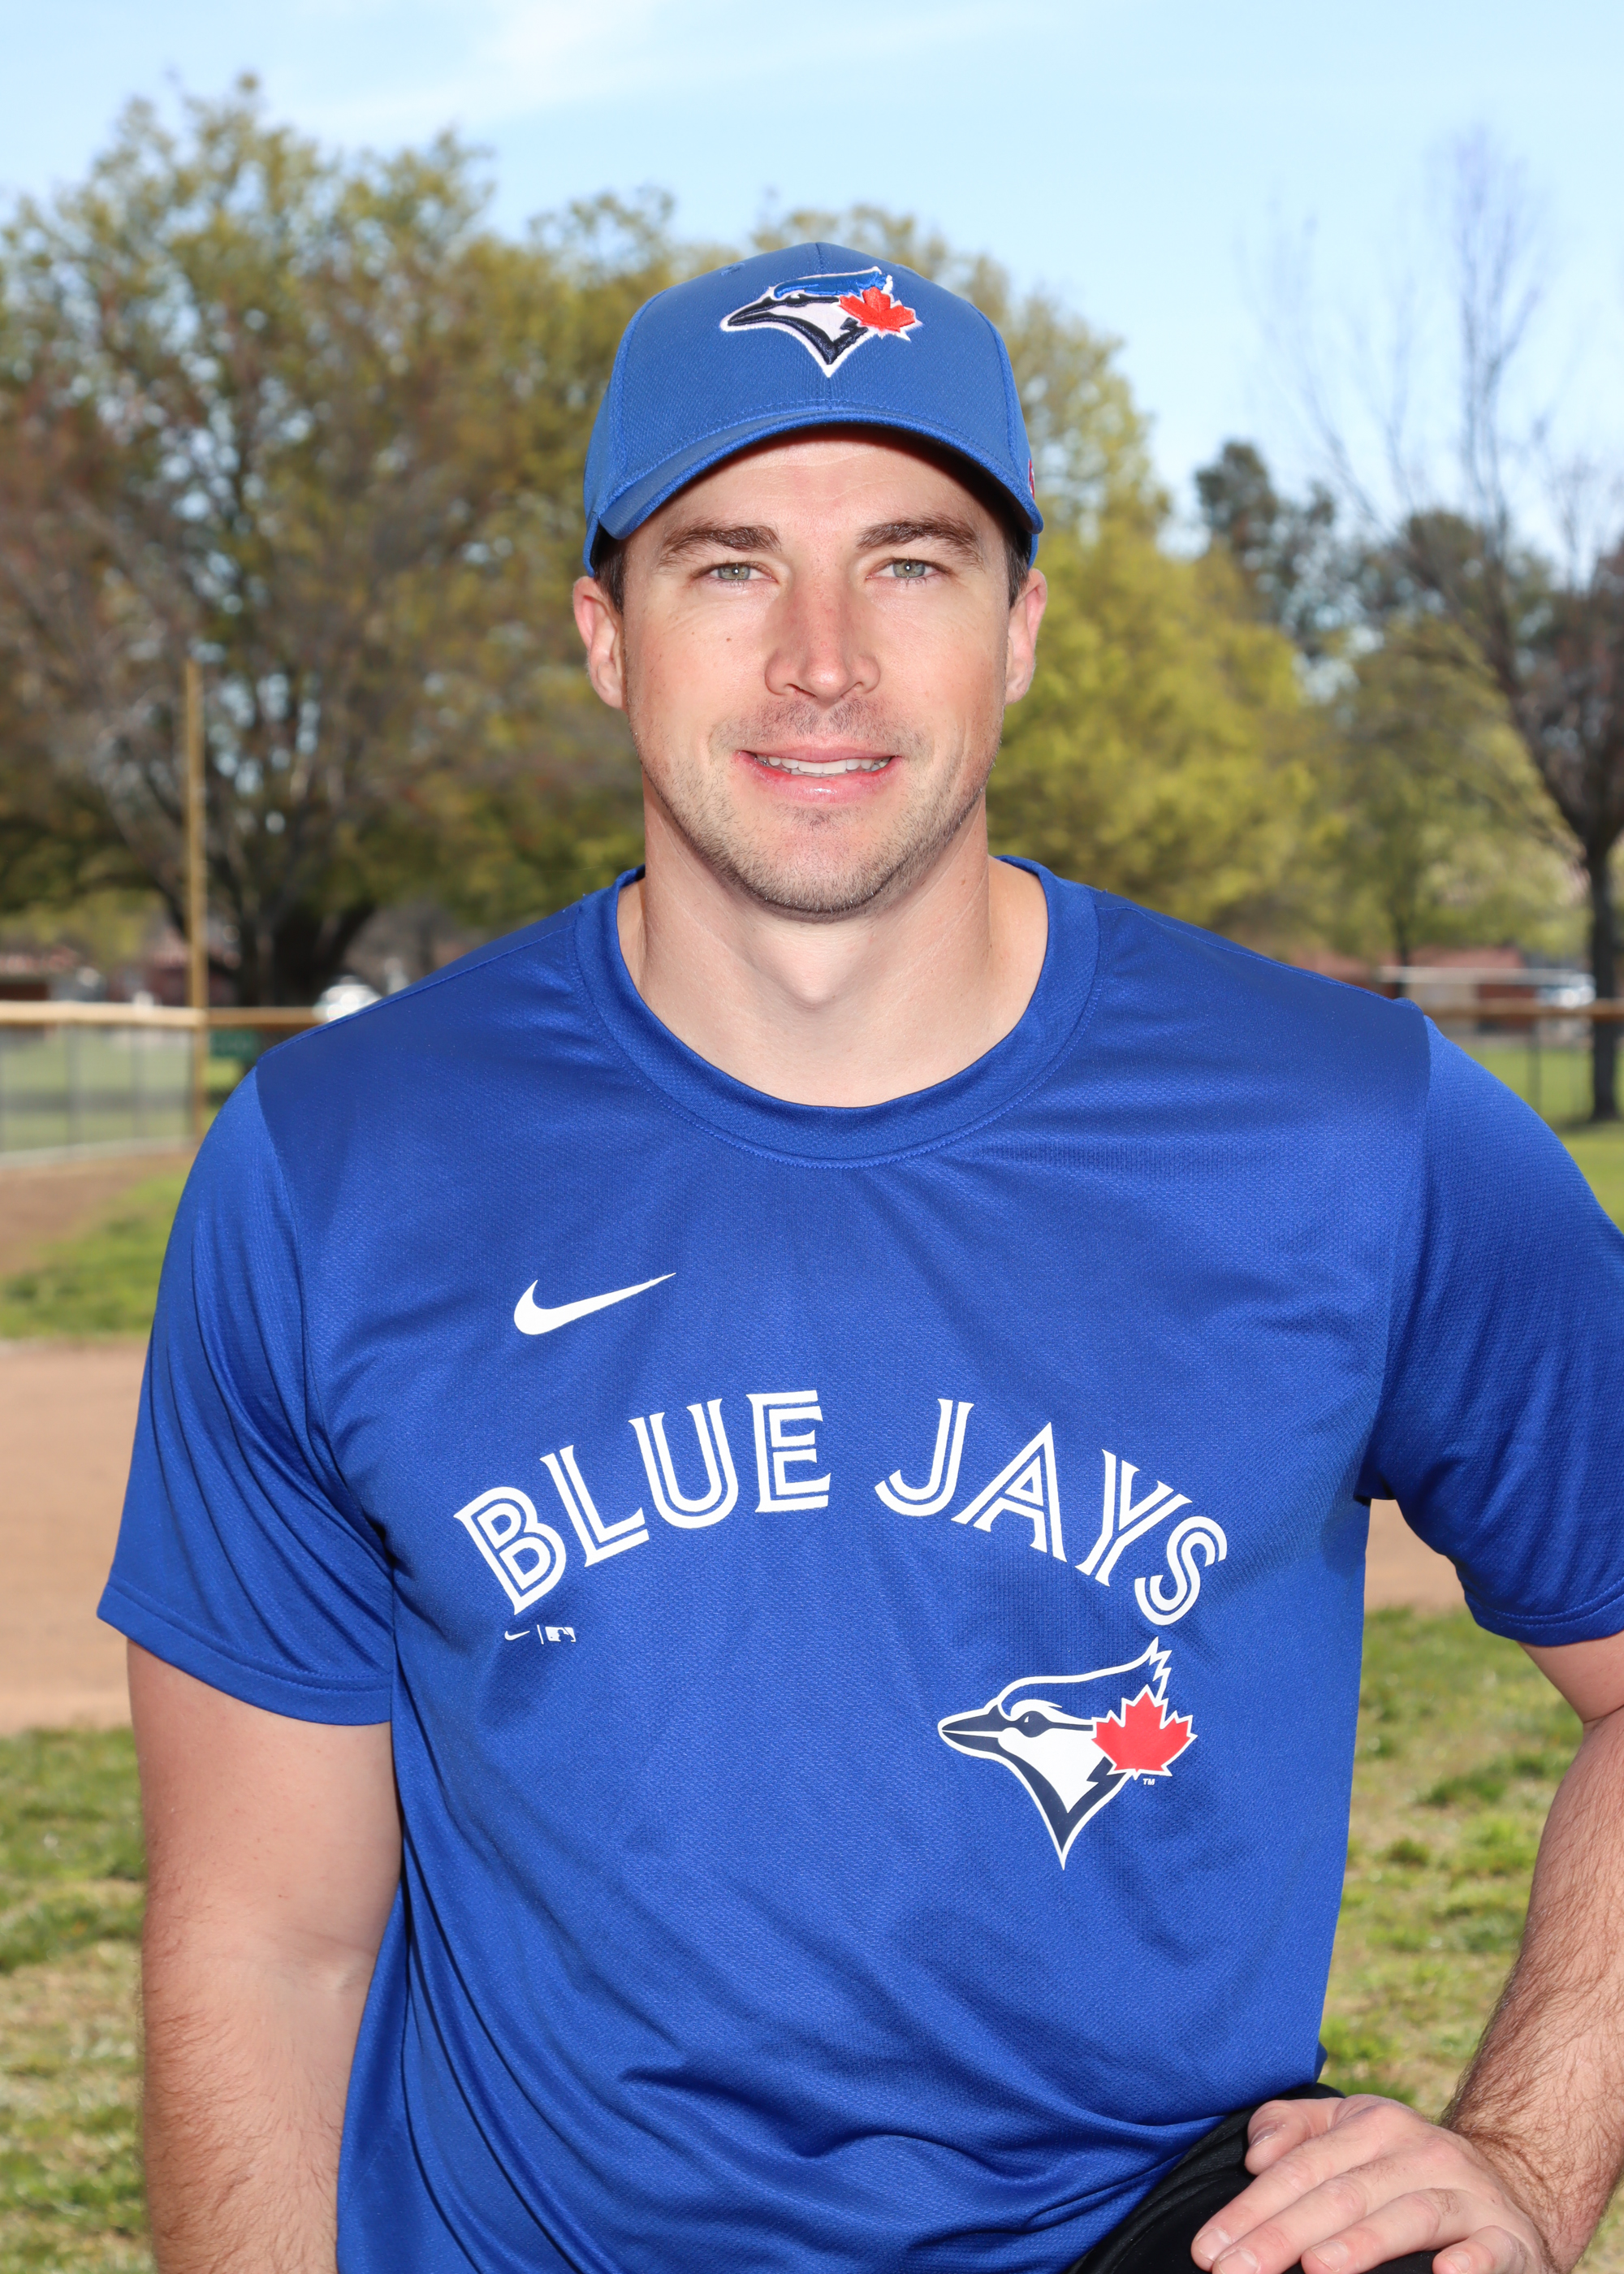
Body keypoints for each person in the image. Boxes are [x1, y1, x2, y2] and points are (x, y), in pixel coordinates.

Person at [102, 243, 1624, 2274]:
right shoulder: (338, 1162)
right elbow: (263, 1940)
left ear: (1019, 628)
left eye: (909, 562)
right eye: (729, 564)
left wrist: (1525, 2153)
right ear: (605, 634)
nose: (820, 657)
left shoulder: (1355, 1130)